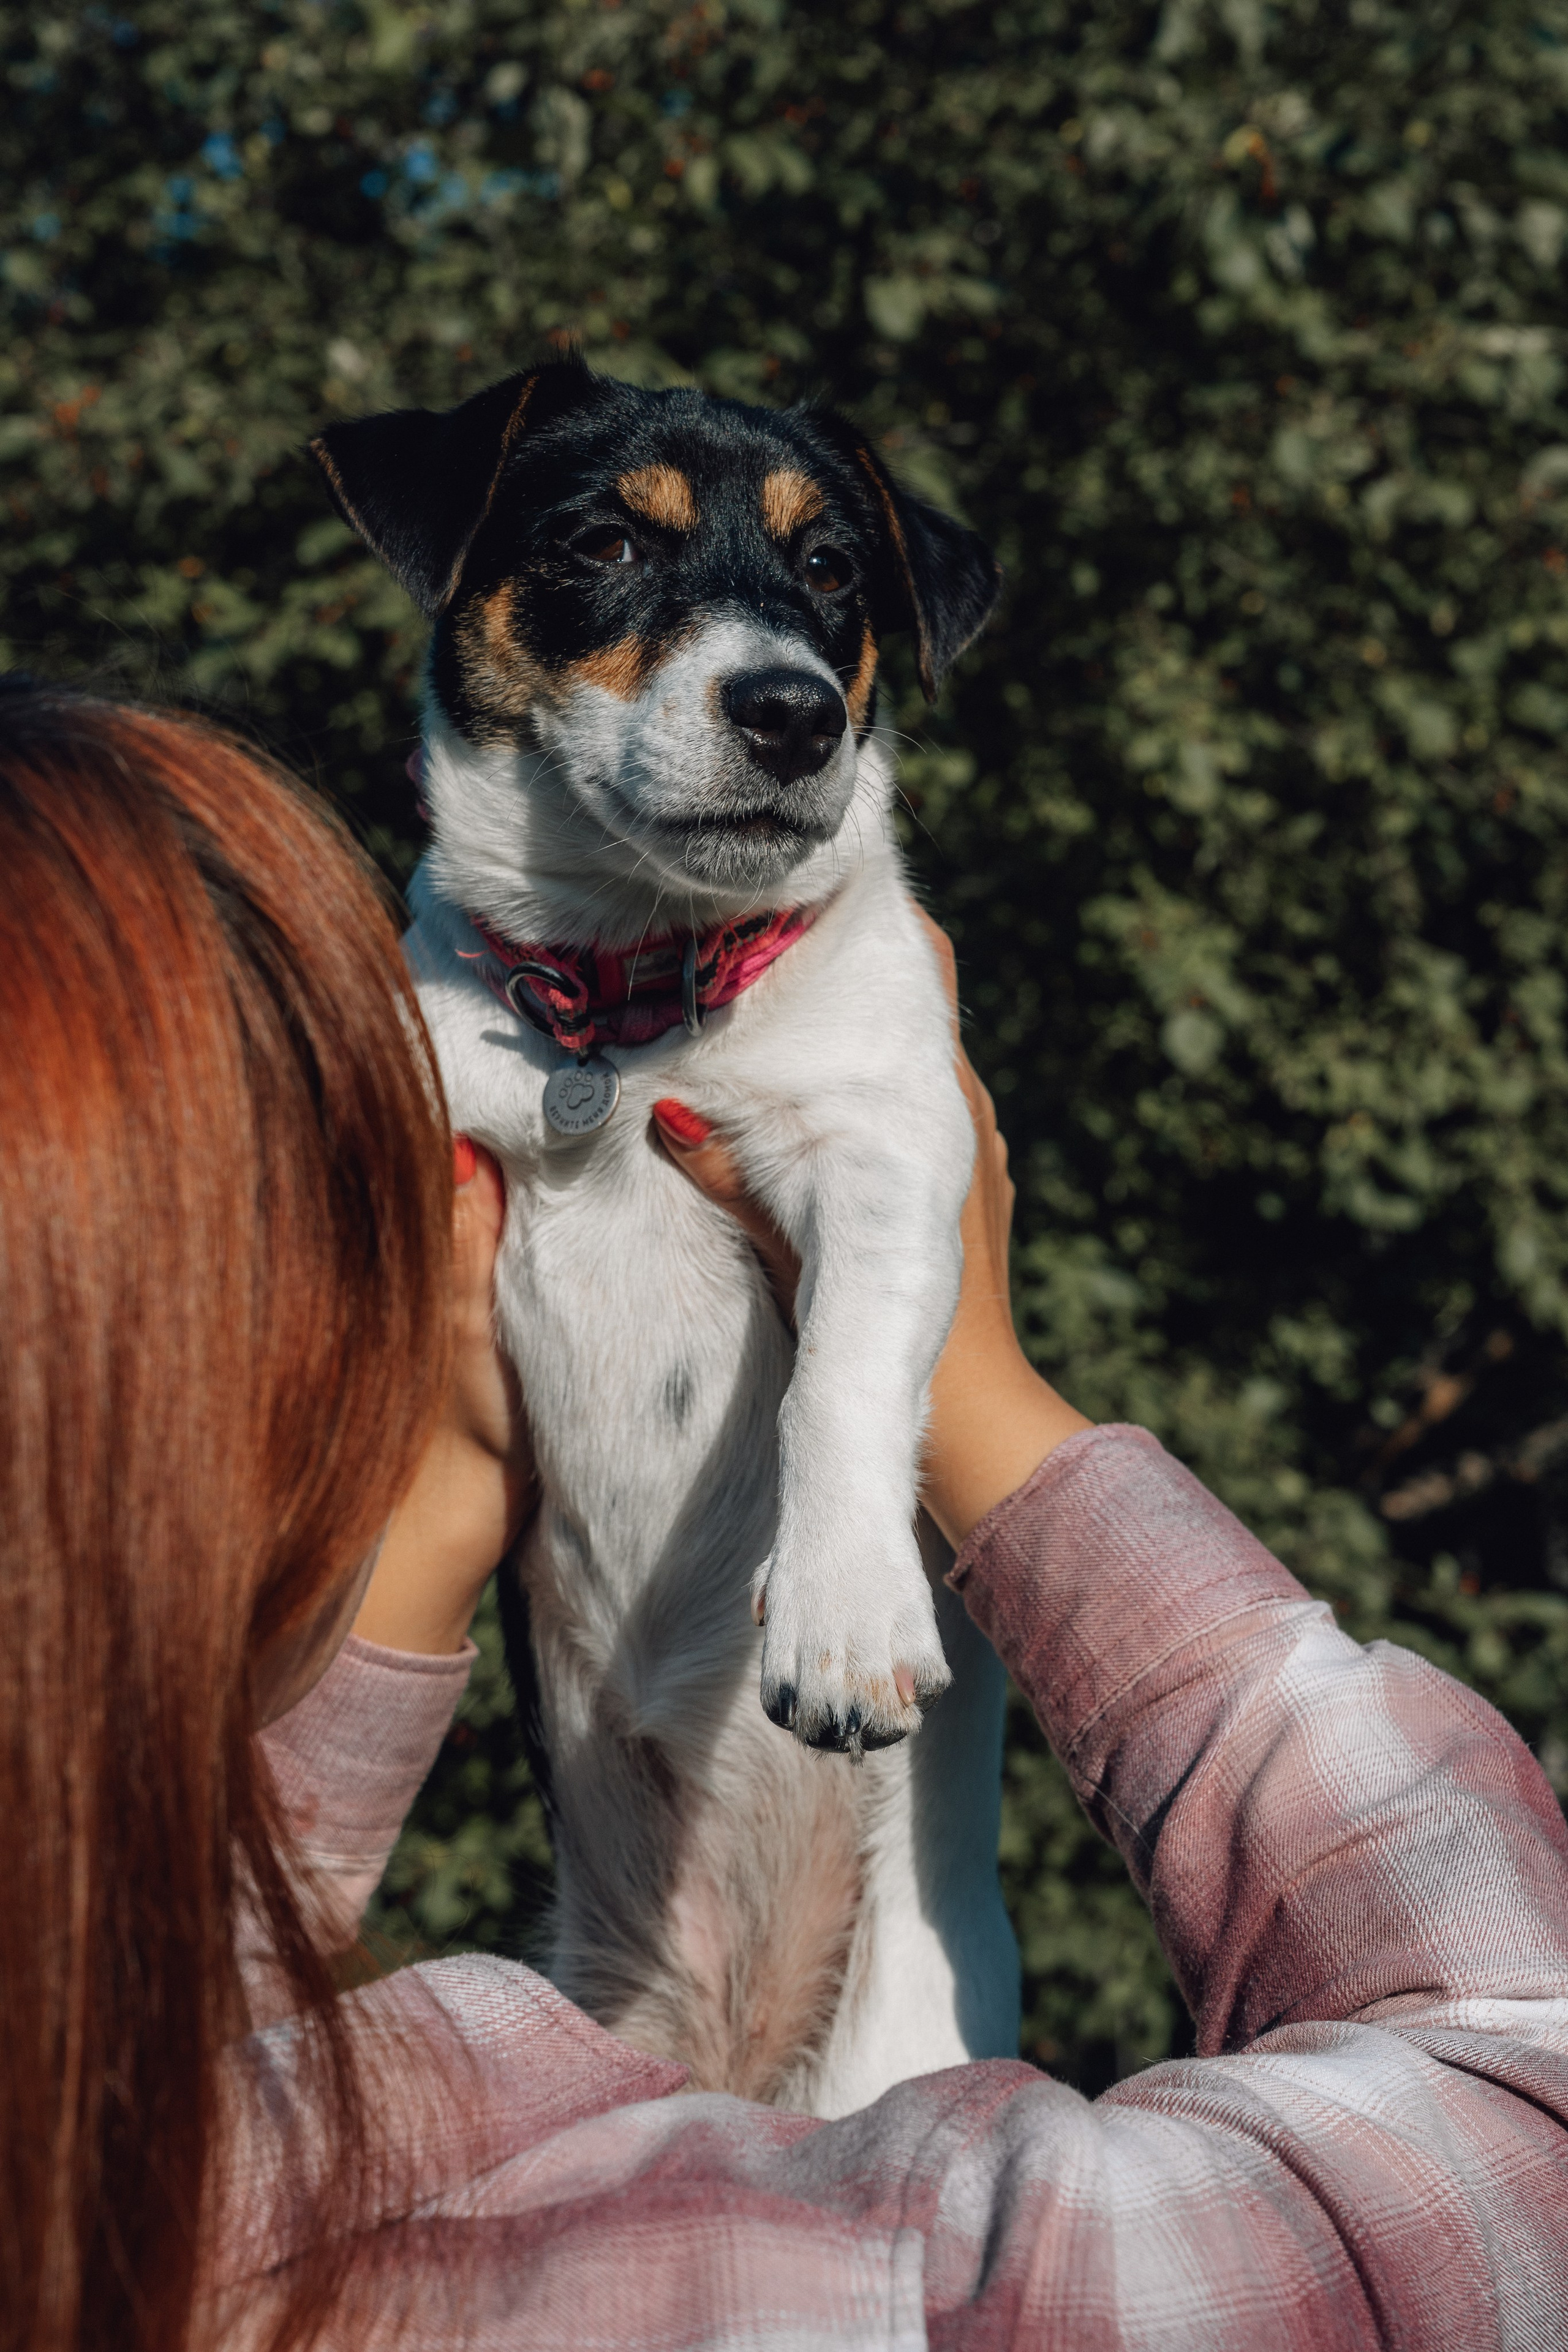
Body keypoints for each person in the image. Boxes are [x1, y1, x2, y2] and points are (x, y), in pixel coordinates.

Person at [4, 682, 1568, 2352]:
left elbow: (132, 2049)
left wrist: (430, 1517)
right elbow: (1516, 2114)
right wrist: (989, 1414)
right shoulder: (874, 2291)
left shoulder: (135, 2225)